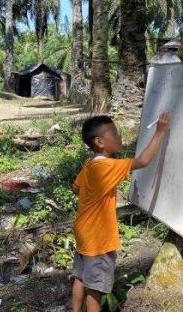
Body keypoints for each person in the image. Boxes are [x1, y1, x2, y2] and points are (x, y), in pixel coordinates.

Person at [71, 112, 170, 312]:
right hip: (99, 237)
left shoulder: (90, 164)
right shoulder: (107, 166)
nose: (120, 137)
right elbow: (142, 161)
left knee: (80, 277)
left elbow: (76, 187)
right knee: (95, 288)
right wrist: (160, 132)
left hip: (83, 231)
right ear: (99, 142)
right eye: (114, 134)